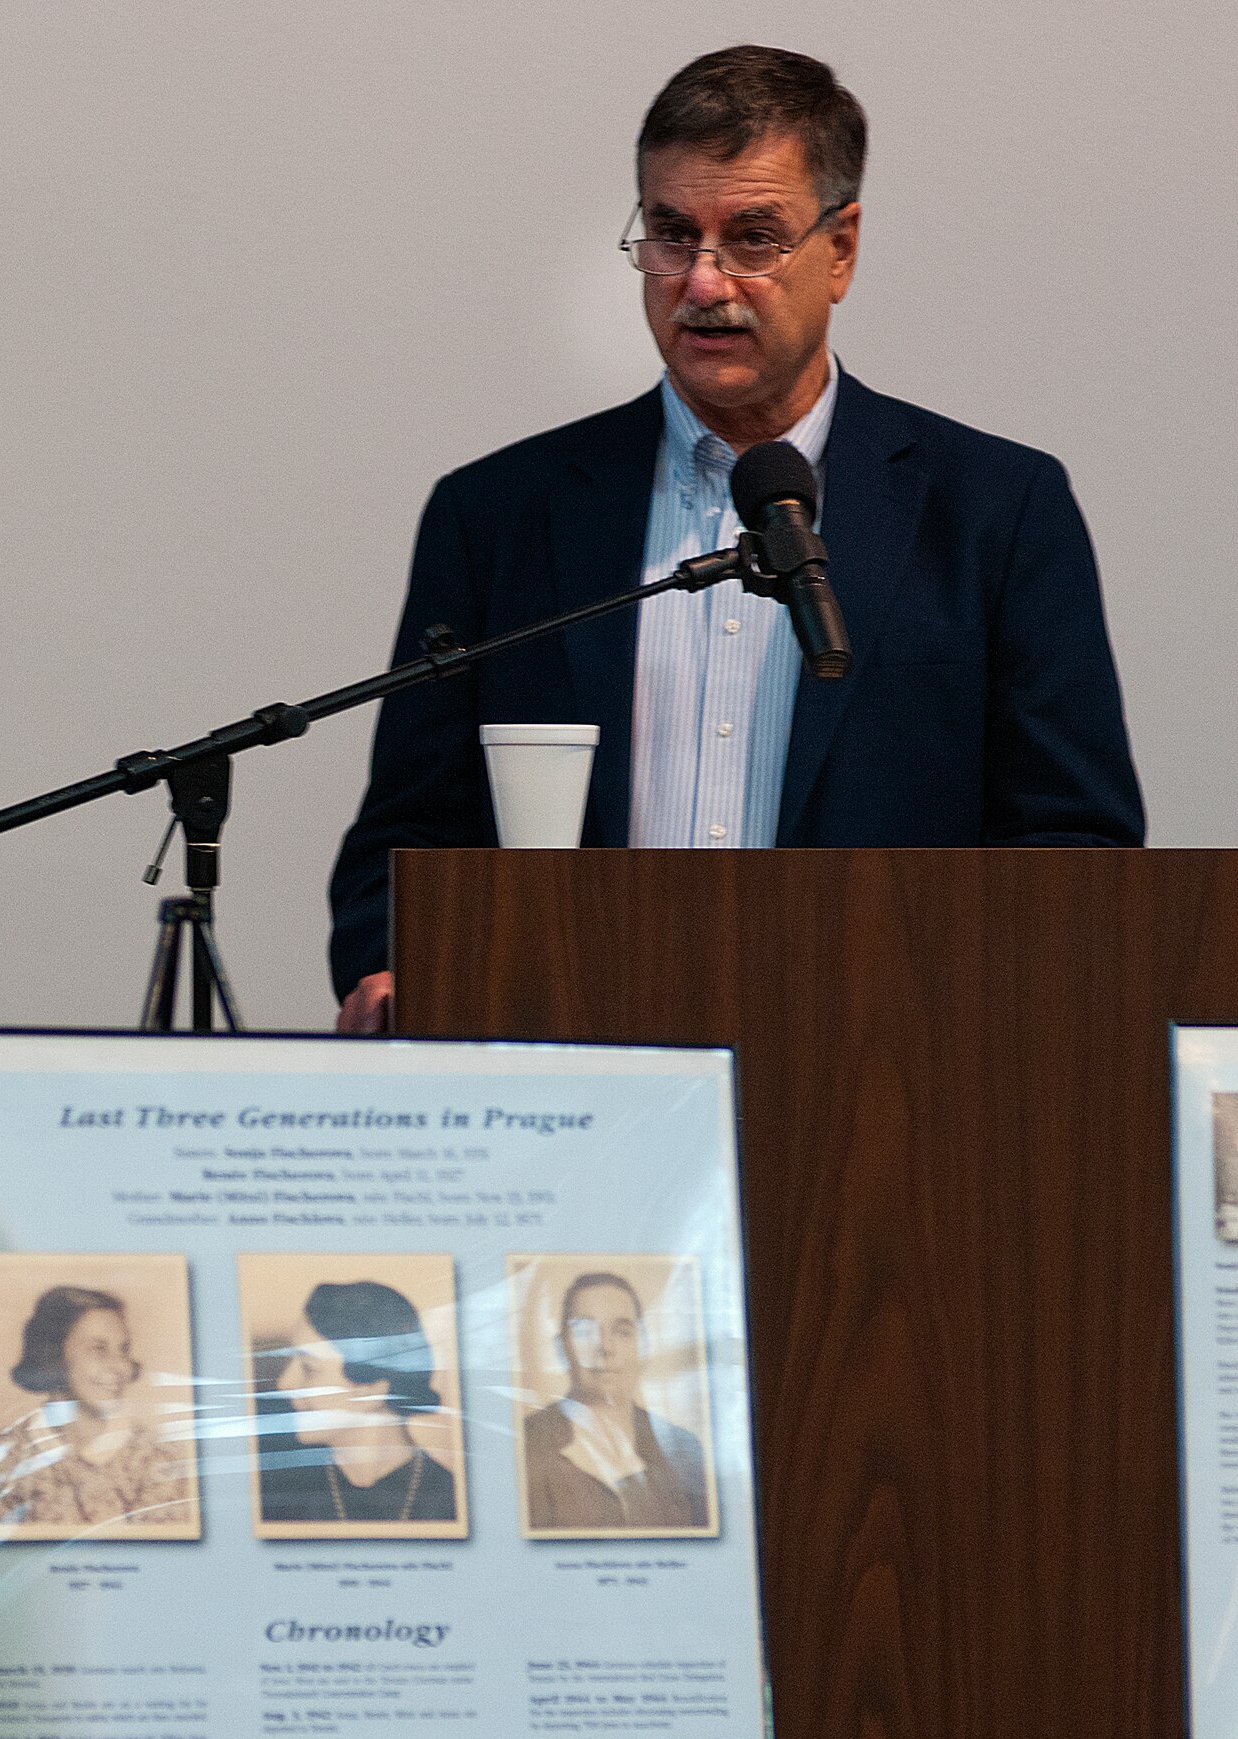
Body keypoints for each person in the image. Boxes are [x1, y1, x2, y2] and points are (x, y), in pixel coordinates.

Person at [330, 44, 1144, 1030]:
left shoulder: (996, 511)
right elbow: (406, 840)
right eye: (673, 235)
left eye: (753, 238)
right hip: (579, 1068)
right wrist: (393, 967)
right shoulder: (499, 513)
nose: (705, 283)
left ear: (841, 249)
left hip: (882, 1078)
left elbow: (1074, 846)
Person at [0, 1284, 195, 1530]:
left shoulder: (158, 1460)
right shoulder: (8, 1457)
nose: (121, 1367)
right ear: (53, 1356)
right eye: (99, 1349)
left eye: (123, 1350)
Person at [258, 1279, 458, 1525]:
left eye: (309, 1368)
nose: (284, 1383)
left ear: (371, 1389)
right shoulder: (275, 1494)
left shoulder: (450, 1501)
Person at [523, 1272, 709, 1533]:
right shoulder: (525, 1443)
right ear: (561, 1348)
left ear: (642, 1345)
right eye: (585, 1331)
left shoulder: (683, 1448)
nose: (605, 1347)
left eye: (622, 1332)